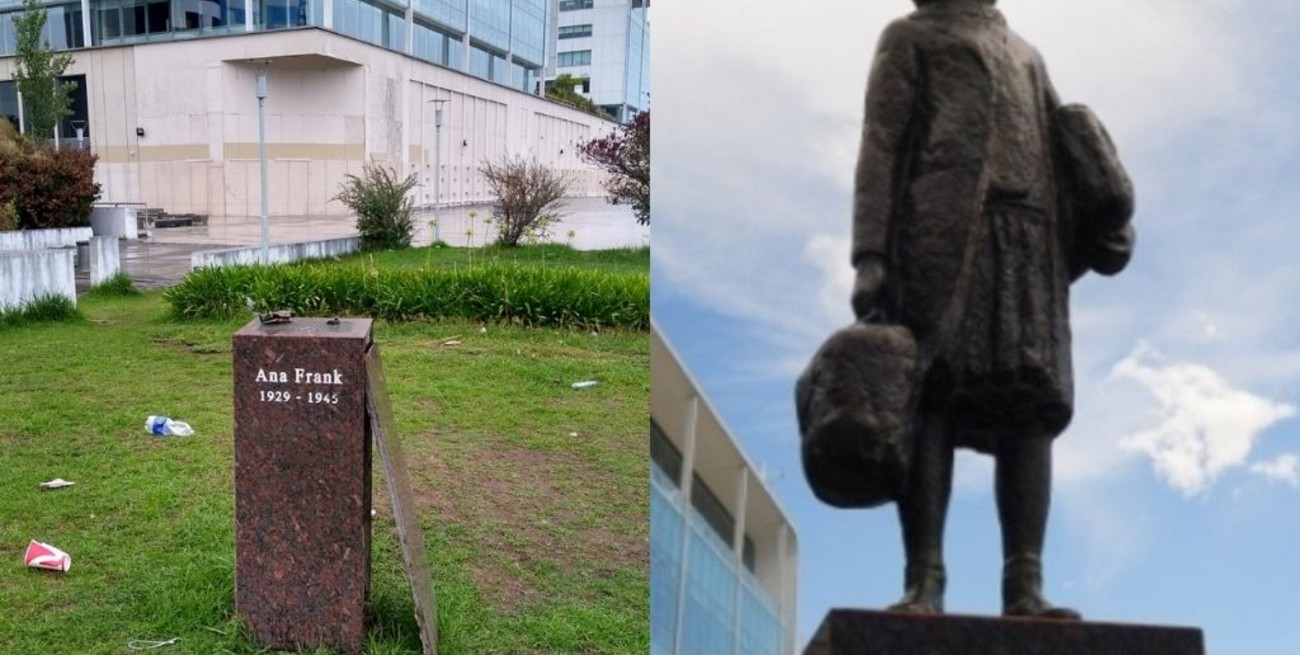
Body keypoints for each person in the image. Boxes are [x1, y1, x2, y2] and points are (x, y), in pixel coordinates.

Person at [850, 0, 1131, 619]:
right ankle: (924, 581)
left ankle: (1024, 586)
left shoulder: (1025, 53)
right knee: (932, 401)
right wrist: (872, 254)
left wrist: (1106, 213)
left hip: (1031, 240)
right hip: (941, 240)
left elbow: (1067, 147)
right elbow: (882, 143)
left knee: (1032, 409)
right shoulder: (911, 37)